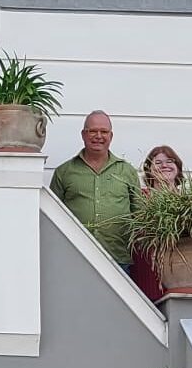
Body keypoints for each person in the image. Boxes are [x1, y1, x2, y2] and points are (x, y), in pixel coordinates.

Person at [49, 111, 142, 264]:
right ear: (83, 135)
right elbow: (52, 217)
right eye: (93, 131)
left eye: (104, 131)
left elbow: (139, 215)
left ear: (111, 136)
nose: (98, 136)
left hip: (118, 257)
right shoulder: (64, 172)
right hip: (74, 256)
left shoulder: (127, 172)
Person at [129, 145, 184, 302]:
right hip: (147, 268)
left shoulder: (190, 202)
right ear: (149, 170)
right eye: (158, 162)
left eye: (170, 161)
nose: (164, 165)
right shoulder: (140, 198)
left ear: (178, 168)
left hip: (180, 272)